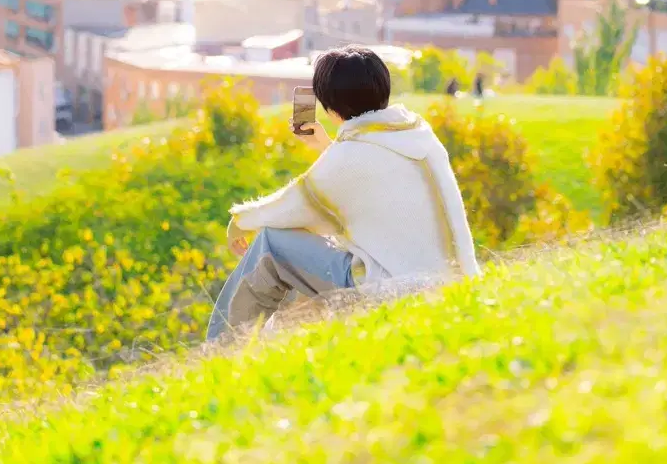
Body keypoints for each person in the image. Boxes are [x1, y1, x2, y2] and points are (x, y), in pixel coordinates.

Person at [206, 46, 481, 341]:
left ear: (330, 108)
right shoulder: (416, 133)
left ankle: (223, 349)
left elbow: (295, 205)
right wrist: (328, 147)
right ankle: (267, 339)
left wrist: (241, 221)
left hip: (397, 294)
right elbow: (365, 182)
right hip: (459, 287)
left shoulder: (351, 154)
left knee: (272, 243)